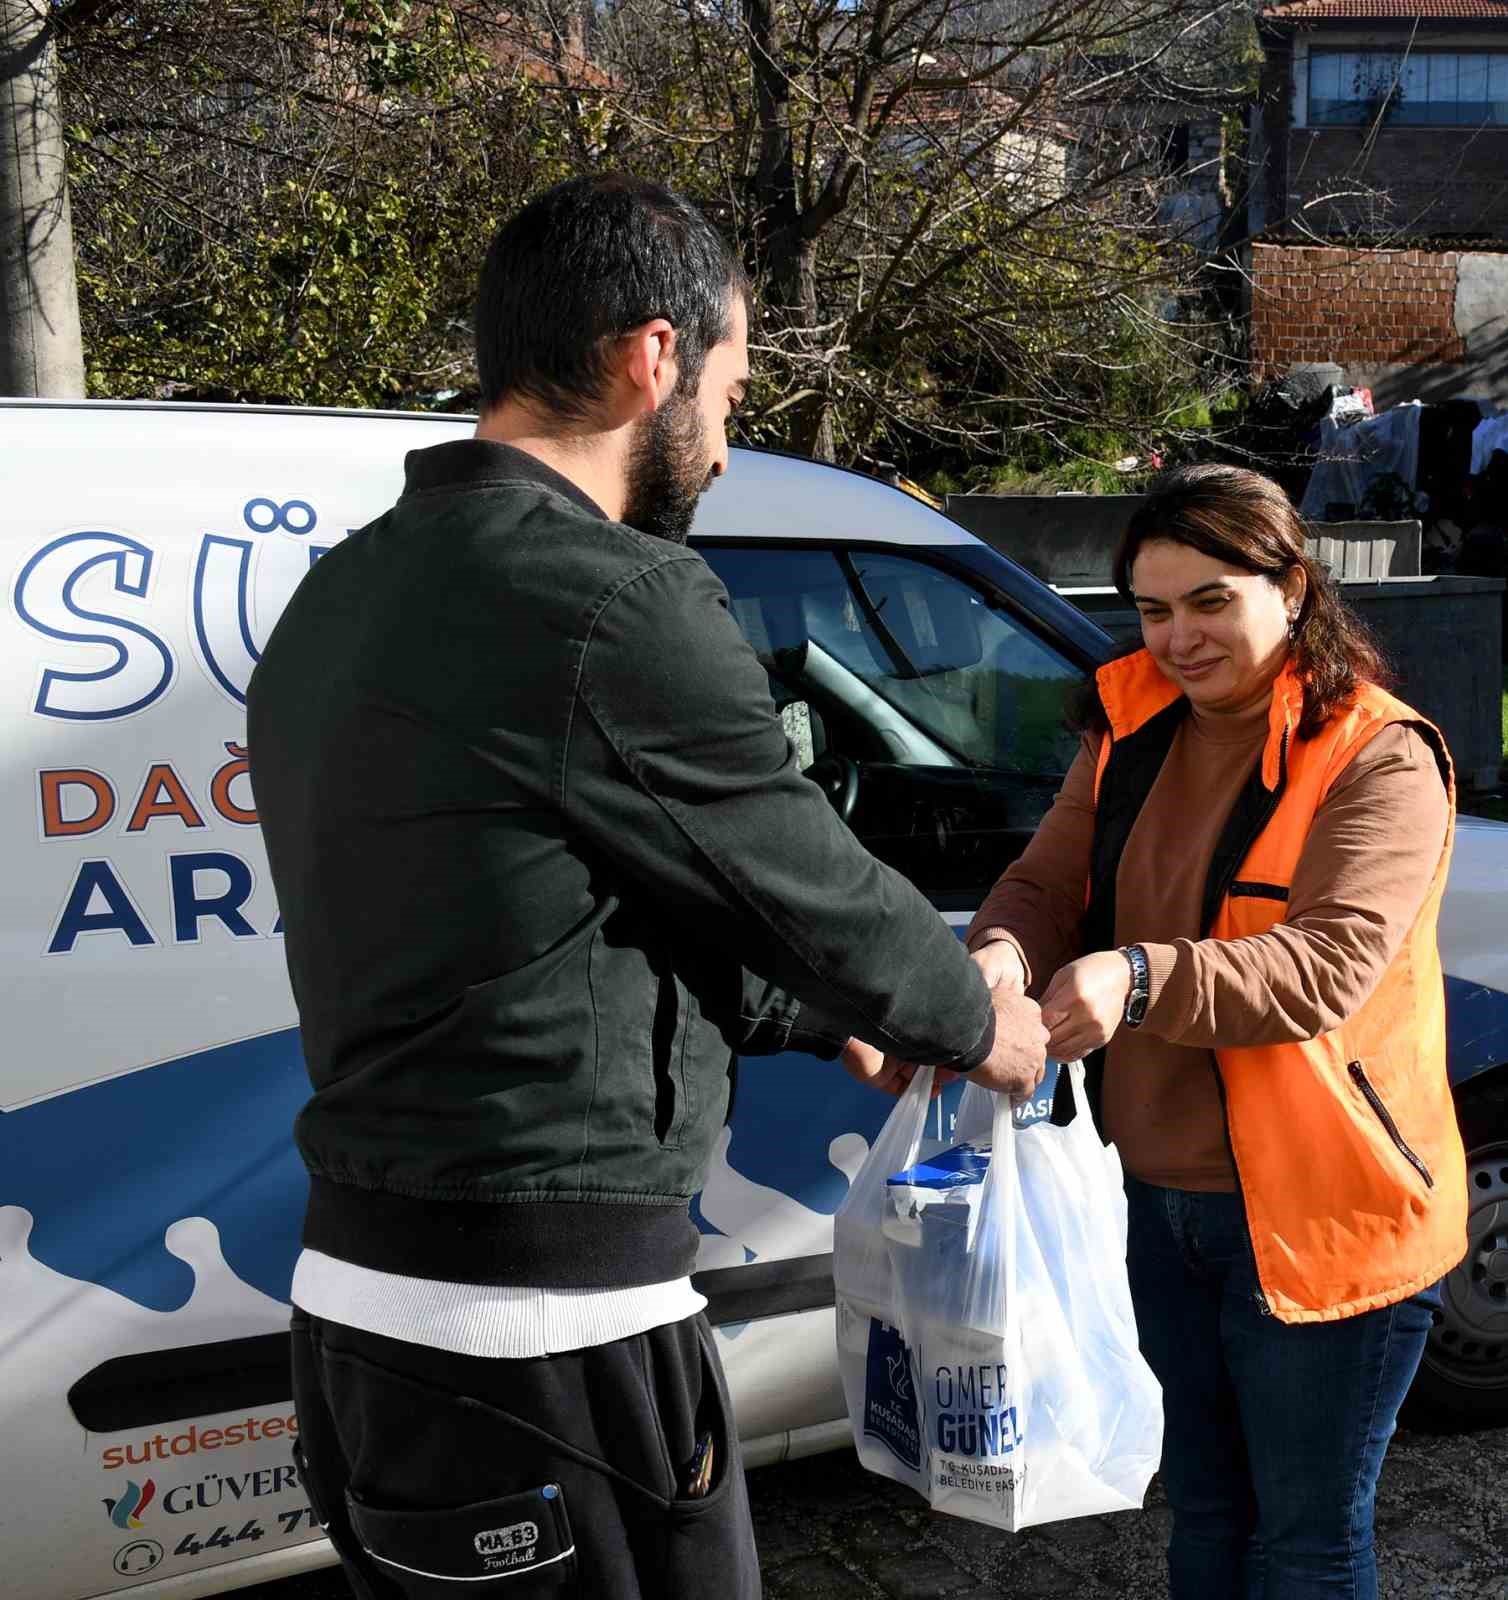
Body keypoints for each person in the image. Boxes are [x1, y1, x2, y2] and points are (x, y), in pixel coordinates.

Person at [246, 173, 1047, 1600]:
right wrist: (974, 1020)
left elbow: (557, 909)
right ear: (652, 357)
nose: (726, 453)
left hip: (362, 1312)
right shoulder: (610, 595)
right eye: (733, 398)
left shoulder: (346, 589)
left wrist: (815, 1021)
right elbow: (812, 884)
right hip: (540, 1333)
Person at [964, 464, 1468, 1600]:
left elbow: (1326, 965)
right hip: (1156, 1198)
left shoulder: (1378, 753)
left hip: (1325, 1212)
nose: (1176, 637)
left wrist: (1137, 977)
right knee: (1199, 1514)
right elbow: (1044, 882)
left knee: (1304, 1543)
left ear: (1289, 587)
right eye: (1150, 608)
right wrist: (1001, 951)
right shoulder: (1128, 723)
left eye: (1208, 601)